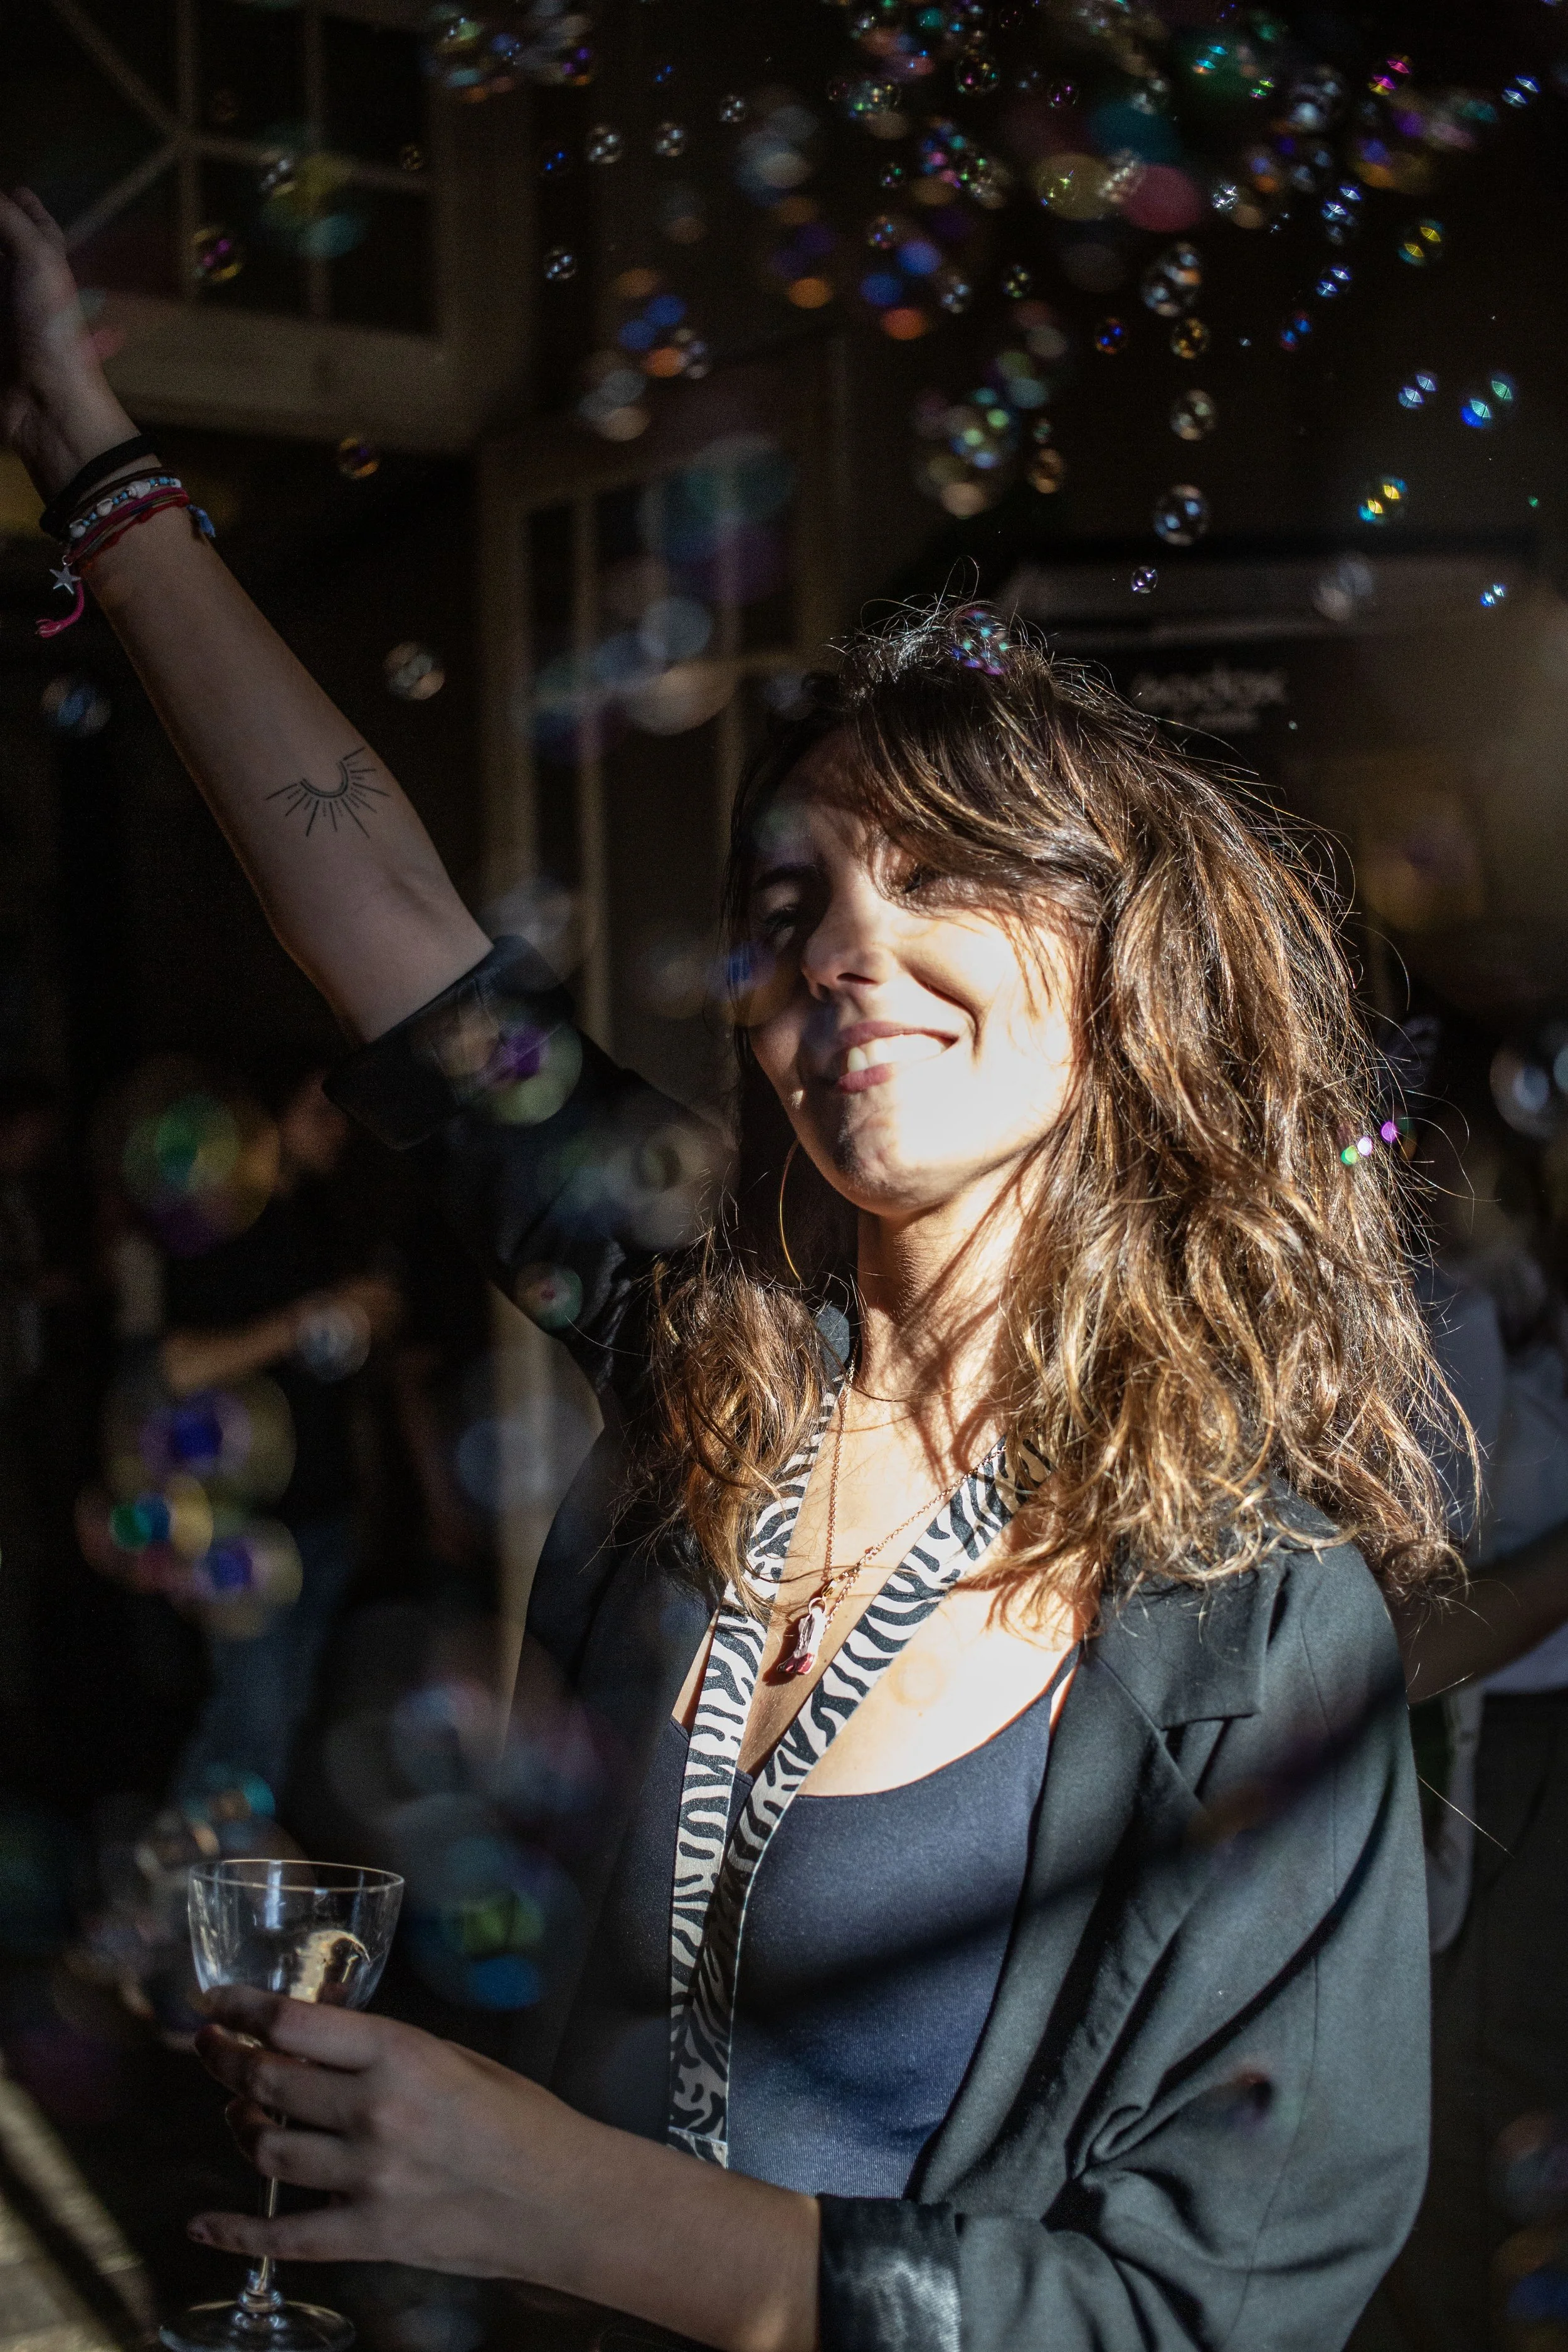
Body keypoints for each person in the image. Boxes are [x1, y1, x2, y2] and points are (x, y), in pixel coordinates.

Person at [1, 185, 1462, 2352]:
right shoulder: (714, 1352)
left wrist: (561, 2204)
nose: (845, 947)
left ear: (1121, 966)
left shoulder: (1253, 1615)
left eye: (939, 875)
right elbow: (390, 930)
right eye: (788, 906)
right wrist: (69, 418)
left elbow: (1209, 2310)